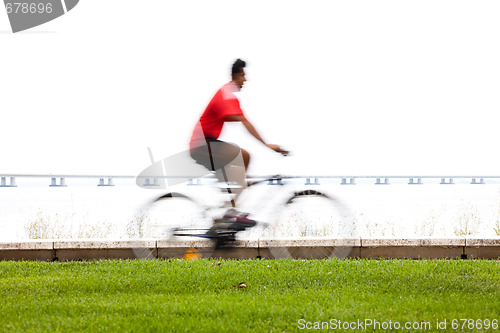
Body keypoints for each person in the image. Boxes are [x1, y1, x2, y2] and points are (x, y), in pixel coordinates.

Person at [190, 59, 287, 228]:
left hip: (206, 144)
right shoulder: (226, 94)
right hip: (202, 145)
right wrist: (267, 145)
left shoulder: (228, 95)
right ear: (236, 75)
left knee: (240, 175)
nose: (245, 80)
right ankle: (231, 212)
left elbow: (239, 120)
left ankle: (228, 214)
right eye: (243, 75)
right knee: (244, 157)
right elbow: (244, 122)